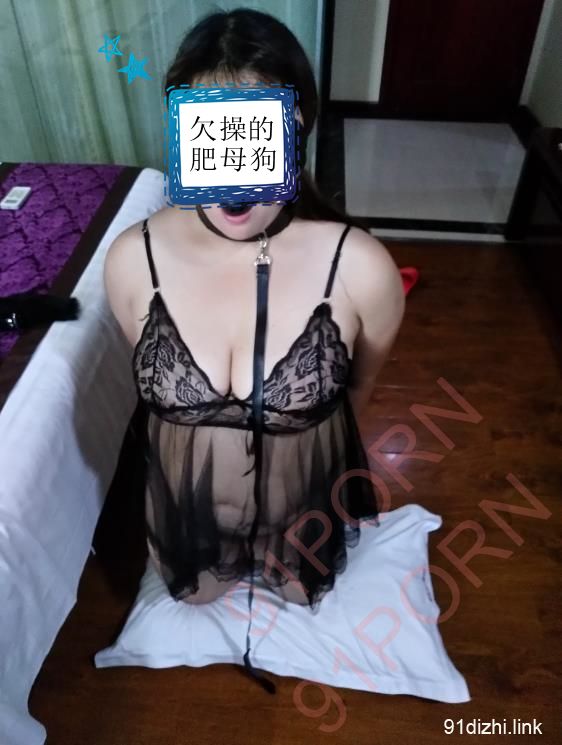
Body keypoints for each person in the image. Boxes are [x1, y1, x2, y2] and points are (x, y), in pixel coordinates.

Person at [103, 8, 405, 693]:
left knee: (301, 589)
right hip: (186, 526)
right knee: (192, 594)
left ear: (296, 128)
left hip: (302, 522)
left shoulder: (360, 268)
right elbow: (154, 406)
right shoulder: (130, 260)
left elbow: (356, 393)